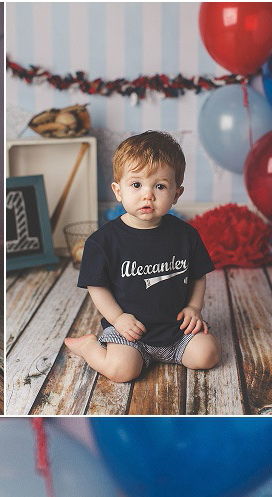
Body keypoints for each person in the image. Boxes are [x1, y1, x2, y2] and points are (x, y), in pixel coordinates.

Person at [64, 131, 218, 383]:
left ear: (176, 194)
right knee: (121, 371)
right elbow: (97, 287)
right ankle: (88, 347)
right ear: (118, 190)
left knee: (208, 355)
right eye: (136, 185)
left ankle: (179, 349)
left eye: (160, 186)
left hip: (176, 329)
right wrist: (118, 318)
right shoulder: (103, 242)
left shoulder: (185, 235)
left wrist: (193, 307)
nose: (148, 194)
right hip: (130, 332)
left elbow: (197, 275)